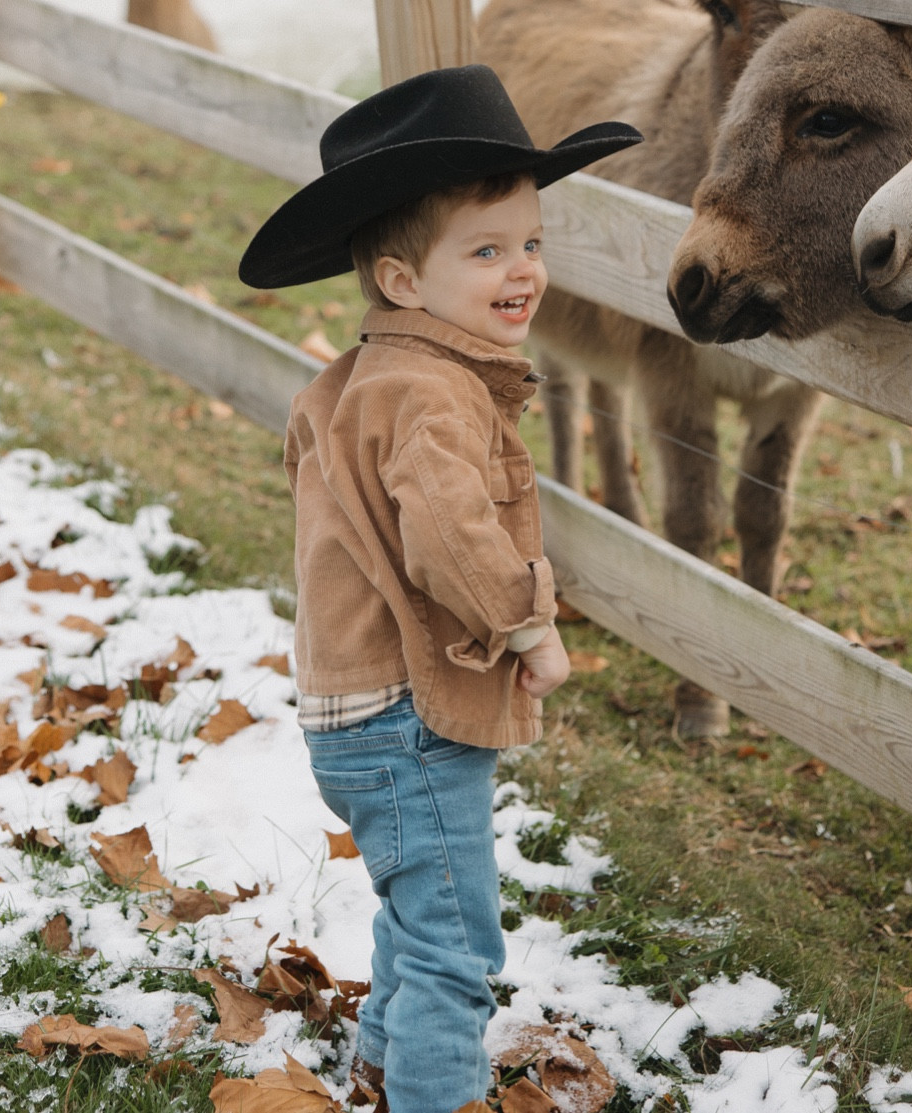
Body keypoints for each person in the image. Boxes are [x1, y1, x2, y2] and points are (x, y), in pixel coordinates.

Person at [238, 64, 641, 1113]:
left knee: (416, 913)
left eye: (530, 243)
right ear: (403, 280)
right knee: (457, 946)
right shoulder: (432, 391)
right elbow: (447, 533)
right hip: (408, 713)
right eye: (485, 250)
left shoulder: (354, 378)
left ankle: (380, 1068)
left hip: (351, 707)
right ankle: (430, 1092)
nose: (522, 271)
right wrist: (527, 624)